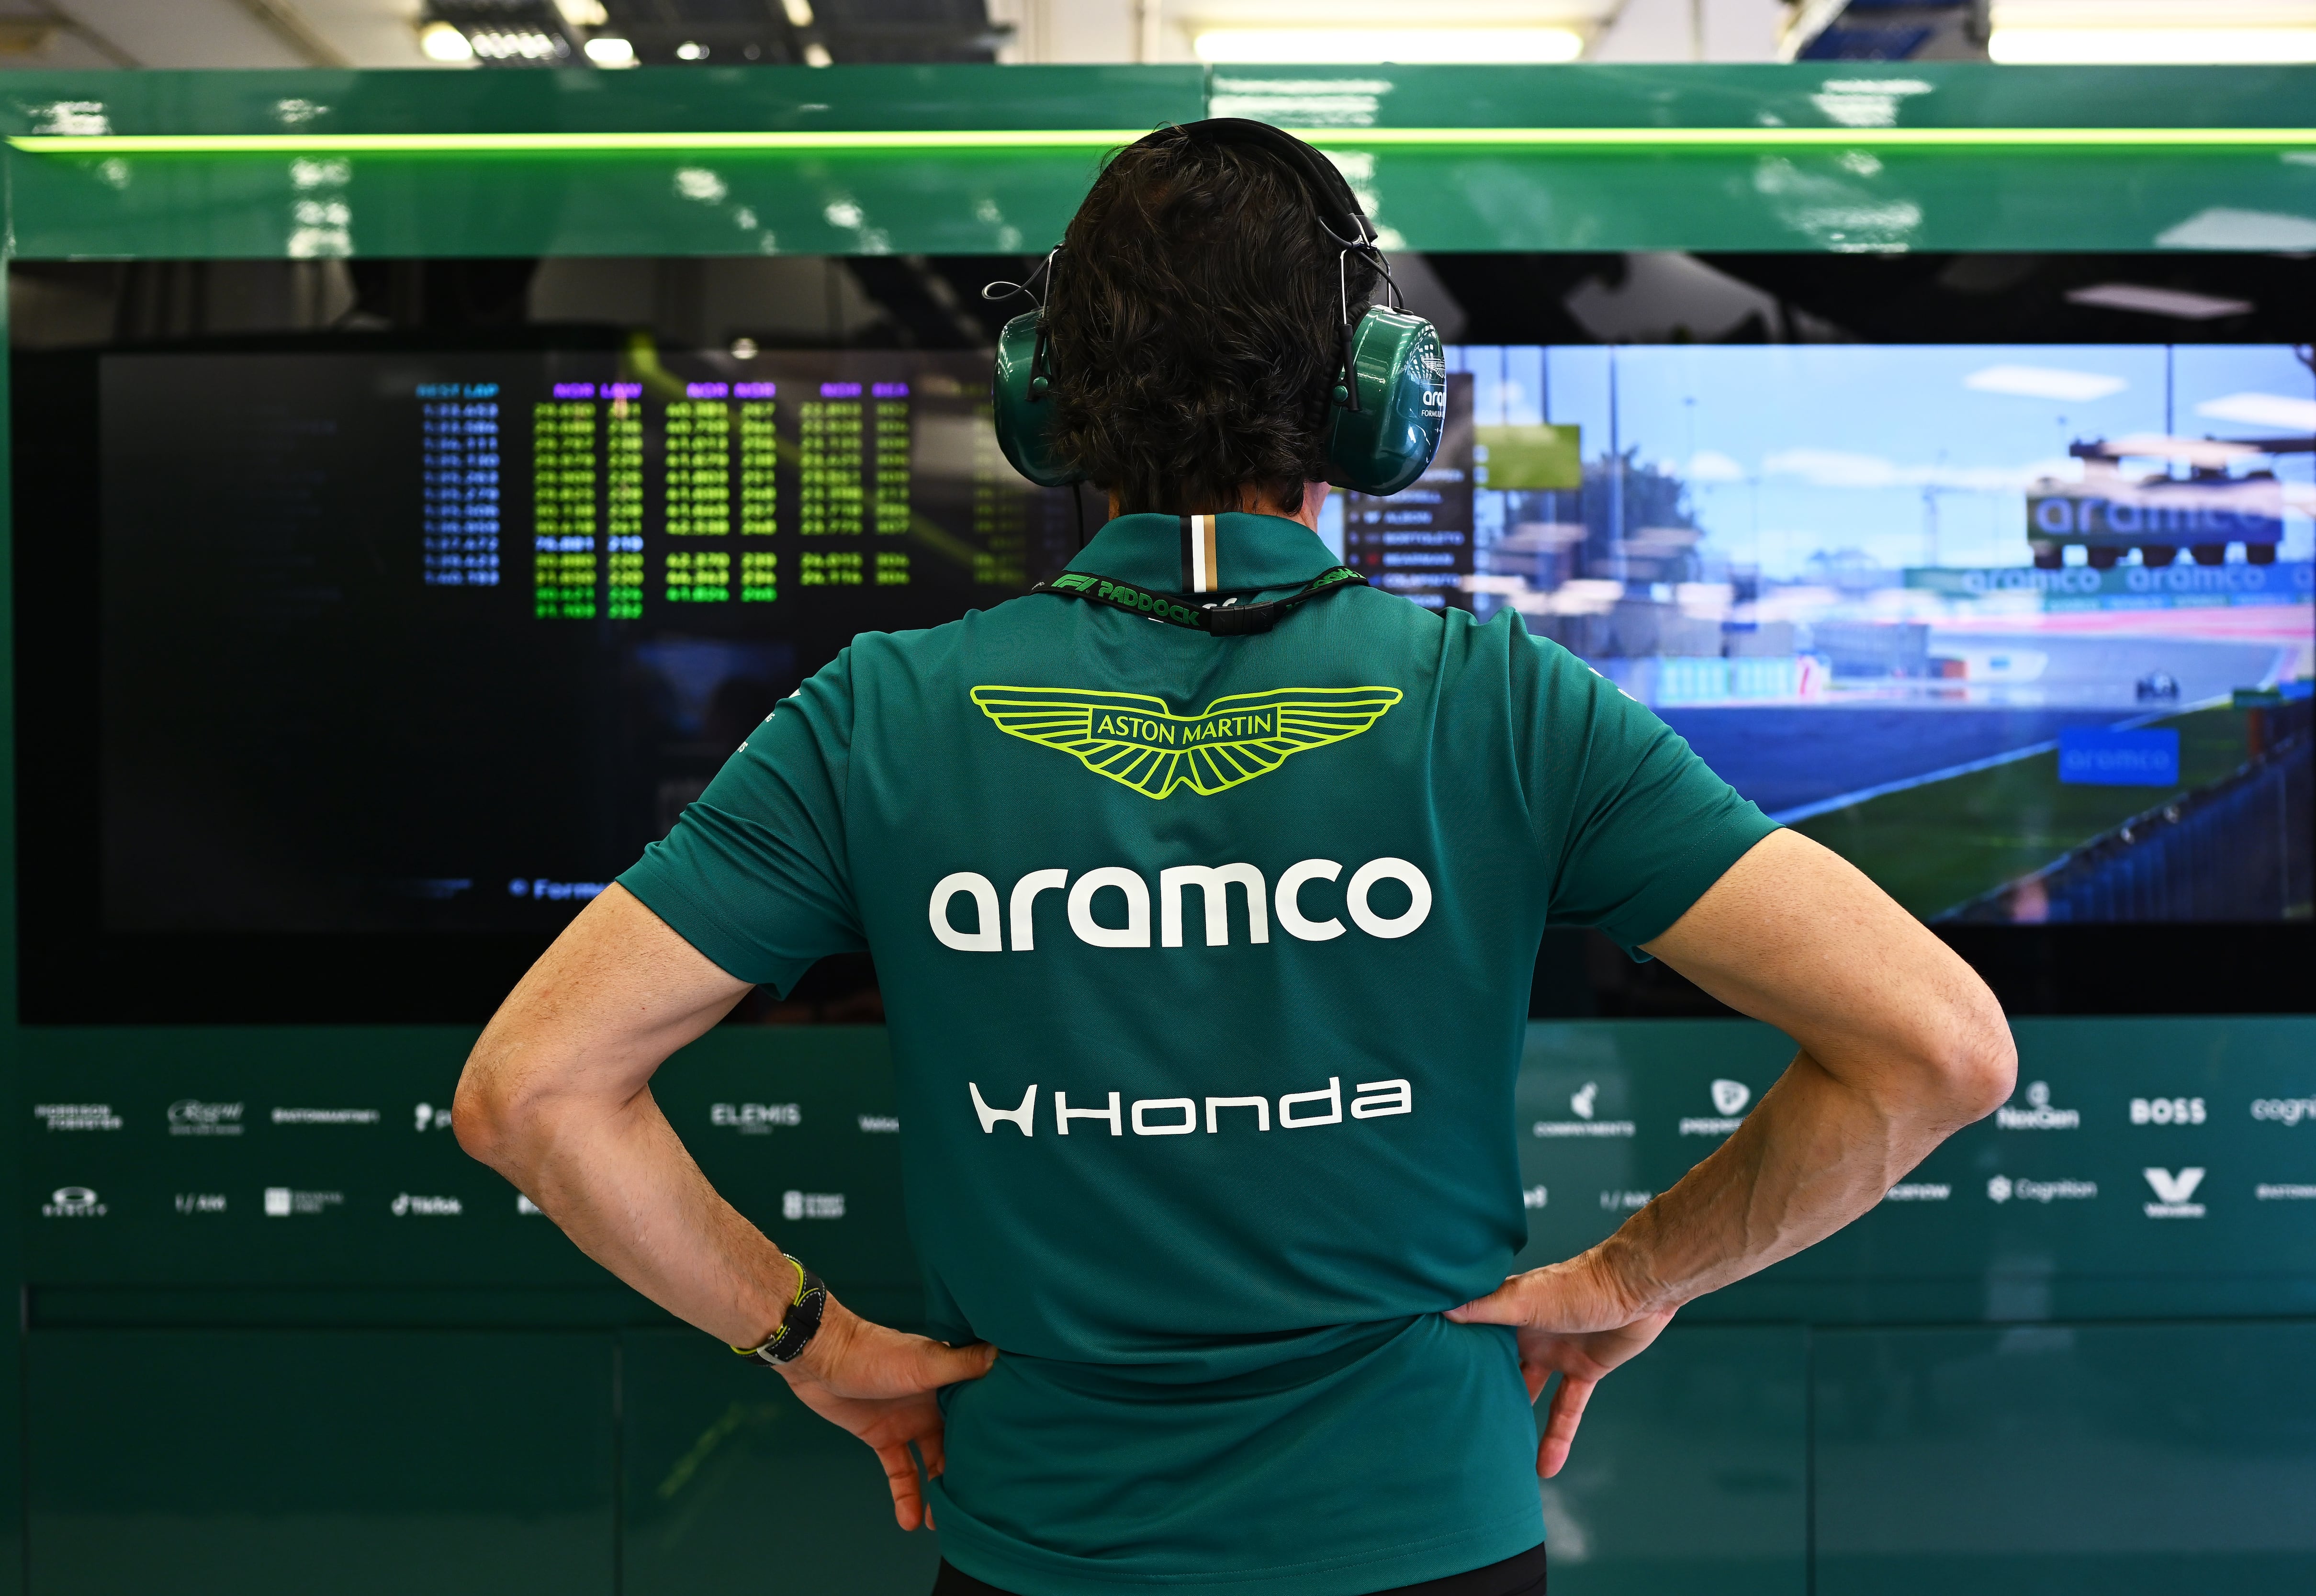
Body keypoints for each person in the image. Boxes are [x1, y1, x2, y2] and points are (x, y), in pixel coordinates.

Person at [454, 120, 2015, 1596]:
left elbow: (529, 1093)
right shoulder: (1507, 709)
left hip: (1043, 1547)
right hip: (1431, 1538)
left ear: (1045, 402)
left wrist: (811, 1342)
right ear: (1374, 406)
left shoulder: (877, 719)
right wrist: (1632, 1278)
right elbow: (1935, 1049)